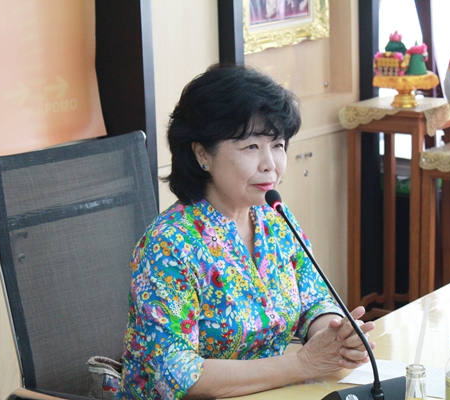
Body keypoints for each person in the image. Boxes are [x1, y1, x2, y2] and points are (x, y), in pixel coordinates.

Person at [117, 64, 375, 400]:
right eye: (251, 146)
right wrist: (303, 363)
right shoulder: (169, 244)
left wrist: (336, 337)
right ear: (202, 154)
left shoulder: (274, 218)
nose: (270, 164)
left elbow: (315, 302)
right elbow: (176, 375)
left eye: (277, 144)